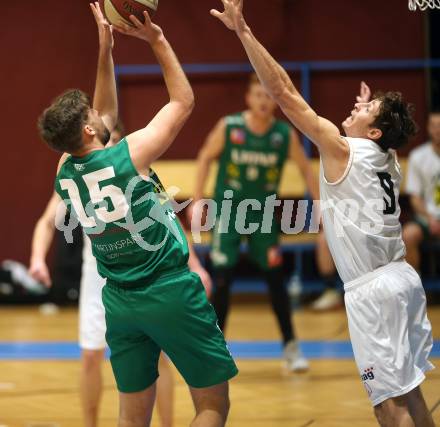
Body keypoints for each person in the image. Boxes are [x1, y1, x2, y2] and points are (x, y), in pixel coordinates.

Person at [211, 1, 435, 425]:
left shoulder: (342, 147)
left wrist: (243, 31)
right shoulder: (388, 158)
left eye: (364, 110)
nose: (353, 108)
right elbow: (377, 138)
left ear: (372, 131)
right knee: (409, 392)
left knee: (390, 404)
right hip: (402, 280)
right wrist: (368, 116)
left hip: (374, 291)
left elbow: (283, 93)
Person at [37, 4, 237, 427]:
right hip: (168, 290)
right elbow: (183, 101)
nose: (99, 112)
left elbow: (105, 117)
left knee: (132, 416)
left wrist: (104, 48)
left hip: (120, 302)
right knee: (213, 406)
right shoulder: (132, 155)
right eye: (91, 115)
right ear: (88, 131)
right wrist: (157, 41)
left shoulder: (64, 171)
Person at [30, 122, 212, 427]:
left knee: (161, 356)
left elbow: (168, 219)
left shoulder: (132, 168)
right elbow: (47, 222)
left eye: (115, 141)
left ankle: (166, 423)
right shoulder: (77, 175)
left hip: (142, 272)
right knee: (90, 355)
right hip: (98, 274)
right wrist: (37, 258)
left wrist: (195, 265)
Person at [189, 73, 319, 371]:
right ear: (248, 98)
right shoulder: (230, 126)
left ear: (275, 100)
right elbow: (205, 156)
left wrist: (322, 205)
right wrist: (197, 200)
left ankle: (290, 345)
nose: (263, 101)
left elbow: (306, 169)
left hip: (263, 215)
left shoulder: (283, 135)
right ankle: (216, 348)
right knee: (222, 280)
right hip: (229, 212)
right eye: (257, 95)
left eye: (268, 96)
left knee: (276, 281)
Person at [403, 111, 440, 271]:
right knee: (408, 235)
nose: (438, 130)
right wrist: (430, 218)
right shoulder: (418, 156)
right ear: (428, 128)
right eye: (434, 126)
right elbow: (415, 197)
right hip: (427, 218)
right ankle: (414, 286)